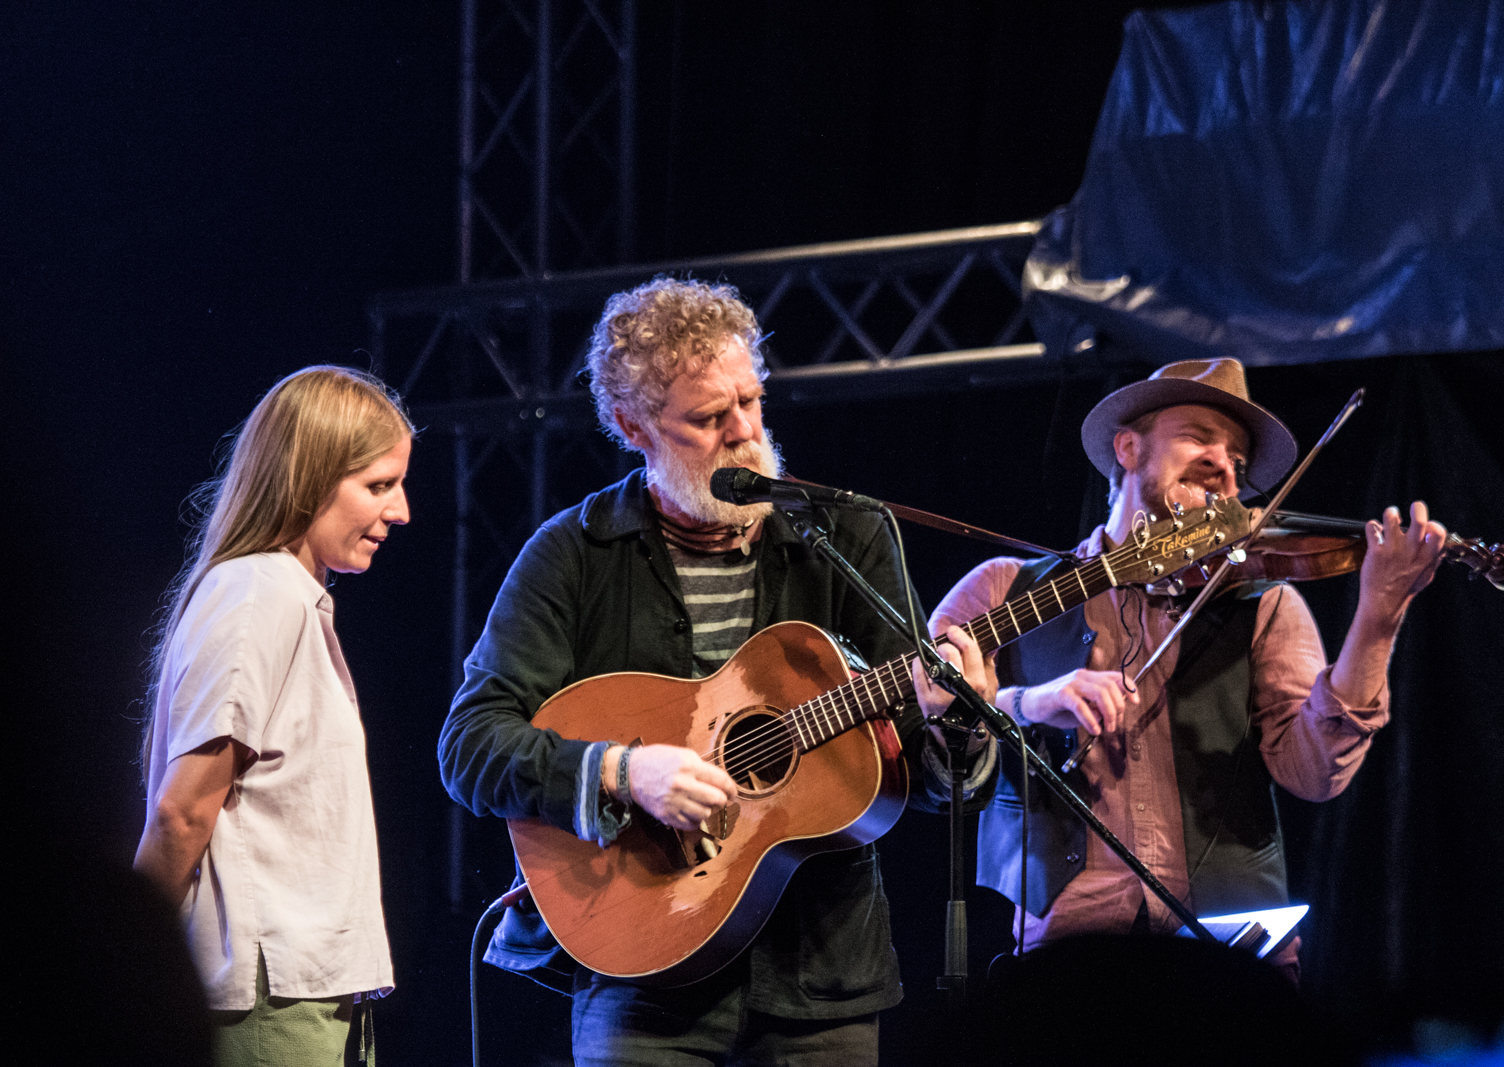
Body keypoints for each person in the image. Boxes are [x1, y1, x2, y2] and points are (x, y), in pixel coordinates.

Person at [438, 277, 995, 1066]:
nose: (743, 431)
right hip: (642, 971)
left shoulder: (848, 533)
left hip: (822, 974)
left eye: (751, 401)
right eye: (707, 417)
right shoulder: (573, 553)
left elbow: (932, 777)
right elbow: (469, 744)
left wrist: (951, 718)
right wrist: (622, 771)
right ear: (634, 425)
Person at [930, 357, 1447, 982]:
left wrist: (1378, 617)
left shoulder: (1266, 603)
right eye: (1199, 435)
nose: (1223, 465)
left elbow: (1315, 774)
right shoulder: (1002, 591)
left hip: (1230, 956)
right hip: (1069, 956)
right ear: (1127, 447)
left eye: (1237, 459)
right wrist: (1029, 702)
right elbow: (927, 739)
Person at [134, 366, 413, 1065]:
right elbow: (183, 812)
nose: (402, 510)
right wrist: (123, 966)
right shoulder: (257, 592)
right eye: (378, 485)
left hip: (313, 990)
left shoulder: (293, 599)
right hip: (268, 996)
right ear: (307, 477)